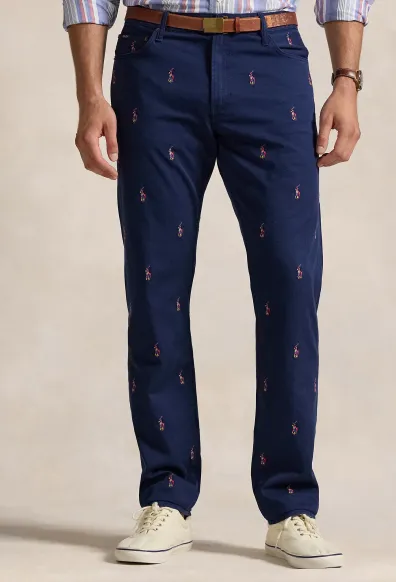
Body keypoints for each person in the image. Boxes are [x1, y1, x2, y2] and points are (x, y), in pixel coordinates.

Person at [63, 0, 374, 569]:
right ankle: (165, 495)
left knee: (291, 282)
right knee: (155, 283)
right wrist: (89, 94)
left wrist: (346, 80)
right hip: (155, 57)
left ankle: (290, 503)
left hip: (271, 55)